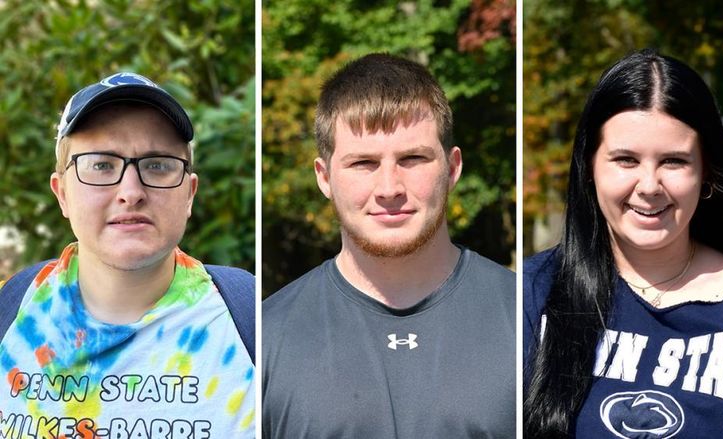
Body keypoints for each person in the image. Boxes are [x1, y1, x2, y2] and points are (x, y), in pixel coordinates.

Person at [523, 48, 723, 438]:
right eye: (625, 160)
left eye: (674, 161)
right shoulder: (532, 291)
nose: (648, 187)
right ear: (589, 167)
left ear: (706, 170)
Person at [262, 53, 516, 438]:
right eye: (363, 163)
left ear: (452, 168)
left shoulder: (529, 319)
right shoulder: (264, 336)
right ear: (324, 177)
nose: (389, 188)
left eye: (413, 158)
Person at [0, 73, 255, 437]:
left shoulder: (251, 322)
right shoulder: (11, 309)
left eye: (157, 165)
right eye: (102, 165)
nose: (130, 191)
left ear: (189, 194)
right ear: (62, 194)